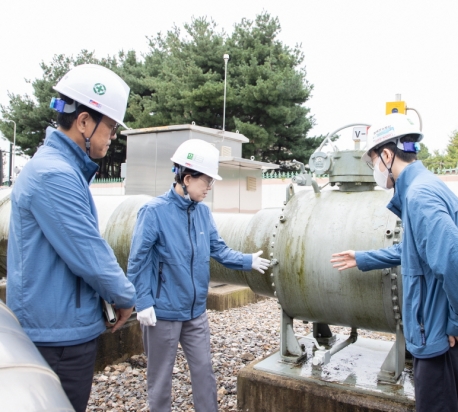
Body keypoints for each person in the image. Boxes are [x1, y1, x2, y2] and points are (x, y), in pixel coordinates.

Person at [331, 113, 458, 412]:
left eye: (373, 160)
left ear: (387, 155)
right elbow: (417, 252)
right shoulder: (421, 187)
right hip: (439, 329)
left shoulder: (419, 195)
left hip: (442, 335)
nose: (374, 168)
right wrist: (363, 258)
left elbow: (454, 258)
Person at [7, 64, 137, 412]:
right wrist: (124, 296)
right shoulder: (55, 175)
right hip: (58, 335)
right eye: (109, 127)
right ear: (83, 122)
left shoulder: (59, 169)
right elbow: (89, 253)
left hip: (58, 325)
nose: (111, 137)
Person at [127, 139, 270, 412]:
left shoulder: (203, 213)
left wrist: (248, 260)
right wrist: (143, 301)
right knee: (160, 378)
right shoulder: (154, 212)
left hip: (195, 312)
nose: (209, 188)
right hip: (164, 313)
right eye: (207, 181)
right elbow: (138, 260)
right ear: (187, 178)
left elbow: (219, 250)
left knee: (205, 371)